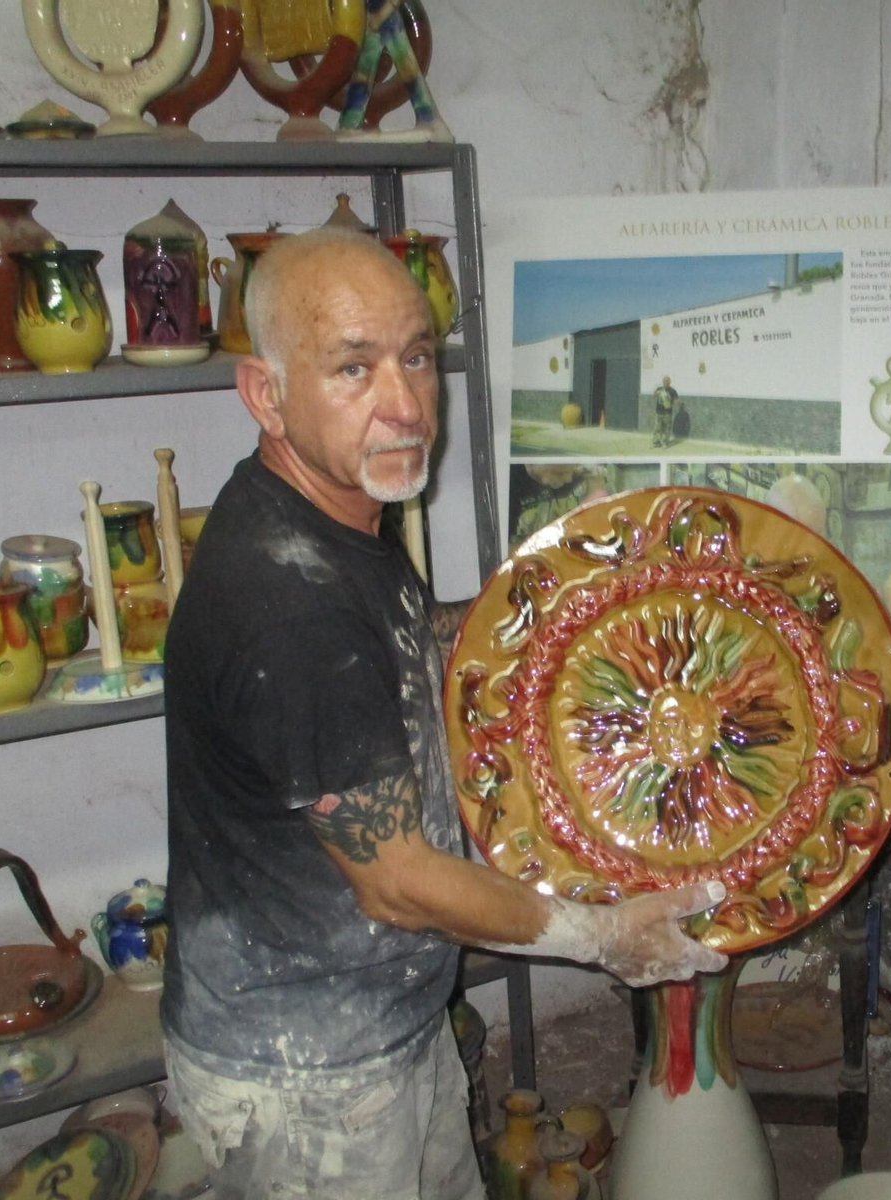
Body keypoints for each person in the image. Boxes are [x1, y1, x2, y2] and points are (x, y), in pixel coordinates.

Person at [160, 227, 725, 1200]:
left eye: (416, 357)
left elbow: (394, 656)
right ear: (265, 393)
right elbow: (397, 883)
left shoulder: (331, 515)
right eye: (352, 368)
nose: (404, 405)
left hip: (380, 1032)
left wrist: (570, 615)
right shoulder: (287, 601)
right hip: (307, 1082)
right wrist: (601, 934)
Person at [650, 374, 678, 448]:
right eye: (664, 381)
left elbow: (676, 401)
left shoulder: (673, 391)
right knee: (657, 428)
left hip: (667, 413)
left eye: (667, 381)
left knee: (666, 428)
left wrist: (670, 404)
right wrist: (655, 393)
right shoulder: (659, 389)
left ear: (670, 382)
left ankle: (665, 443)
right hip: (659, 412)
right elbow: (653, 396)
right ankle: (656, 442)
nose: (665, 382)